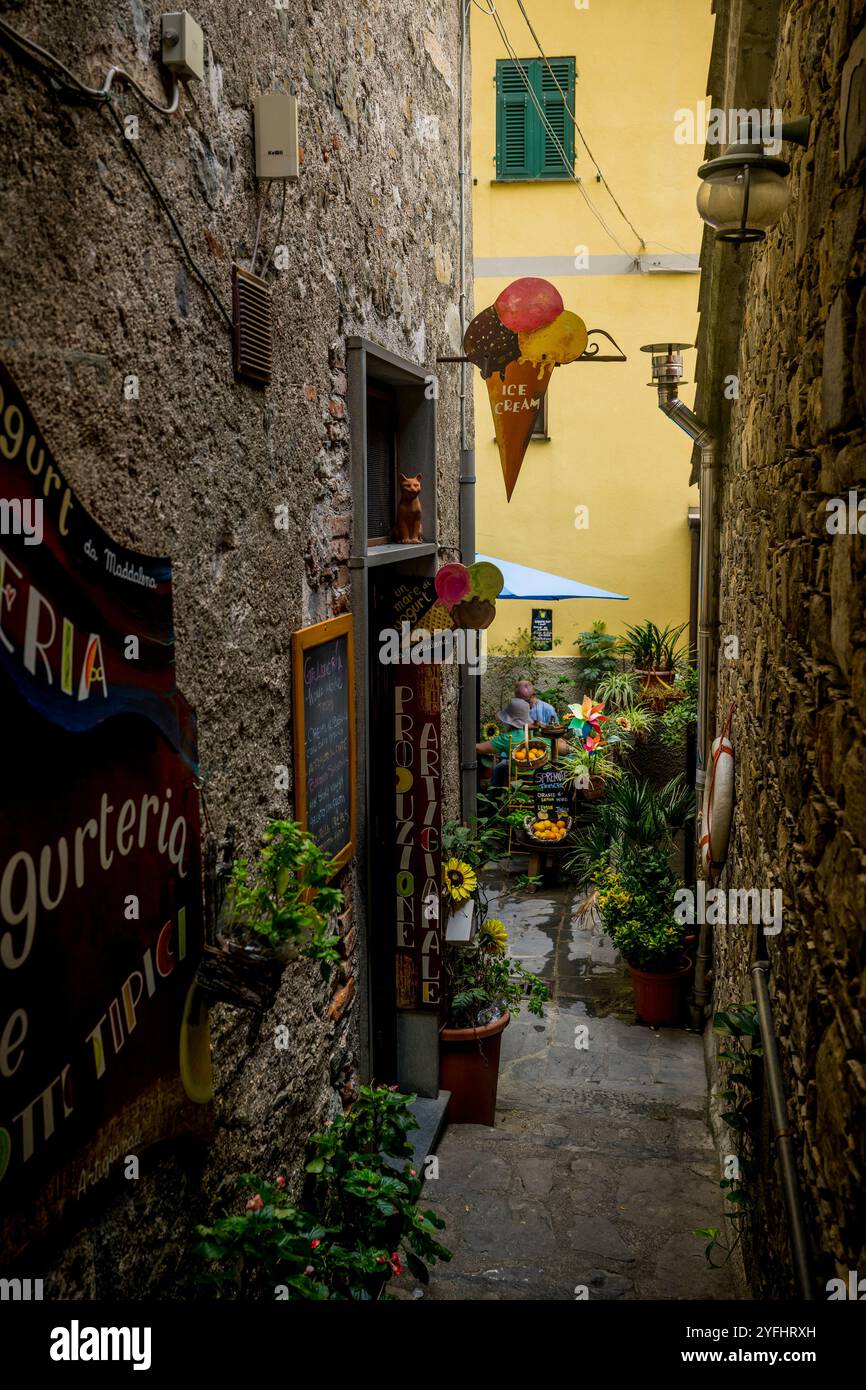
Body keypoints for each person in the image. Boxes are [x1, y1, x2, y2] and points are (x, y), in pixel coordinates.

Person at [476, 699, 569, 809]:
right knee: (501, 766)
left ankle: (491, 807)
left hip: (522, 781)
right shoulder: (541, 732)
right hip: (546, 782)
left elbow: (478, 749)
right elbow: (565, 749)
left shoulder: (507, 738)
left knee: (501, 766)